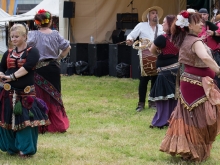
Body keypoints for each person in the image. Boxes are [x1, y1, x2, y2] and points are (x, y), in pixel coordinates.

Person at [160, 10, 220, 162]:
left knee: (191, 118)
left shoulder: (186, 39)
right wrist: (218, 70)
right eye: (198, 22)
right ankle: (193, 151)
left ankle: (190, 150)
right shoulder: (195, 41)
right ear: (189, 26)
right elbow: (205, 57)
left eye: (201, 21)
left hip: (191, 82)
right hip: (196, 85)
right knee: (201, 118)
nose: (202, 24)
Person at [0, 24, 50, 157]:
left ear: (25, 36)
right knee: (7, 121)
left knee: (26, 123)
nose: (14, 39)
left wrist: (11, 77)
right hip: (8, 93)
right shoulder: (8, 53)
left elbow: (27, 67)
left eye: (17, 36)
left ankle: (26, 149)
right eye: (12, 37)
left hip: (25, 94)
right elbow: (2, 67)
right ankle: (11, 148)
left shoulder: (33, 52)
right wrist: (1, 75)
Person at [27, 9, 71, 133]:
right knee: (54, 96)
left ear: (37, 22)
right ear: (50, 20)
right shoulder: (55, 34)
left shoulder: (33, 34)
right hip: (53, 68)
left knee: (39, 96)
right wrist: (59, 58)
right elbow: (67, 47)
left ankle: (41, 125)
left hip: (38, 69)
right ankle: (58, 124)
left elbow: (26, 48)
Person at [126, 6, 164, 112]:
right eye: (152, 13)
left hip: (157, 56)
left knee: (155, 81)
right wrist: (129, 40)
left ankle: (152, 102)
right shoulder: (141, 26)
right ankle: (141, 104)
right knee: (143, 81)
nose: (155, 15)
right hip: (144, 58)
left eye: (156, 13)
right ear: (148, 16)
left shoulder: (161, 28)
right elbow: (131, 35)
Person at [148, 15, 179, 129]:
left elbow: (152, 50)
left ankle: (161, 121)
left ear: (170, 24)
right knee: (173, 98)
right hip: (176, 70)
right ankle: (173, 120)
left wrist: (159, 56)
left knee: (162, 98)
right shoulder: (179, 37)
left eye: (164, 22)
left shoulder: (162, 38)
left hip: (165, 72)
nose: (162, 24)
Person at [198, 9, 220, 88]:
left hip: (214, 54)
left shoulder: (213, 25)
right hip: (202, 55)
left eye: (204, 14)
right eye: (201, 14)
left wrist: (214, 33)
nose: (202, 16)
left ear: (208, 15)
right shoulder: (196, 27)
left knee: (216, 76)